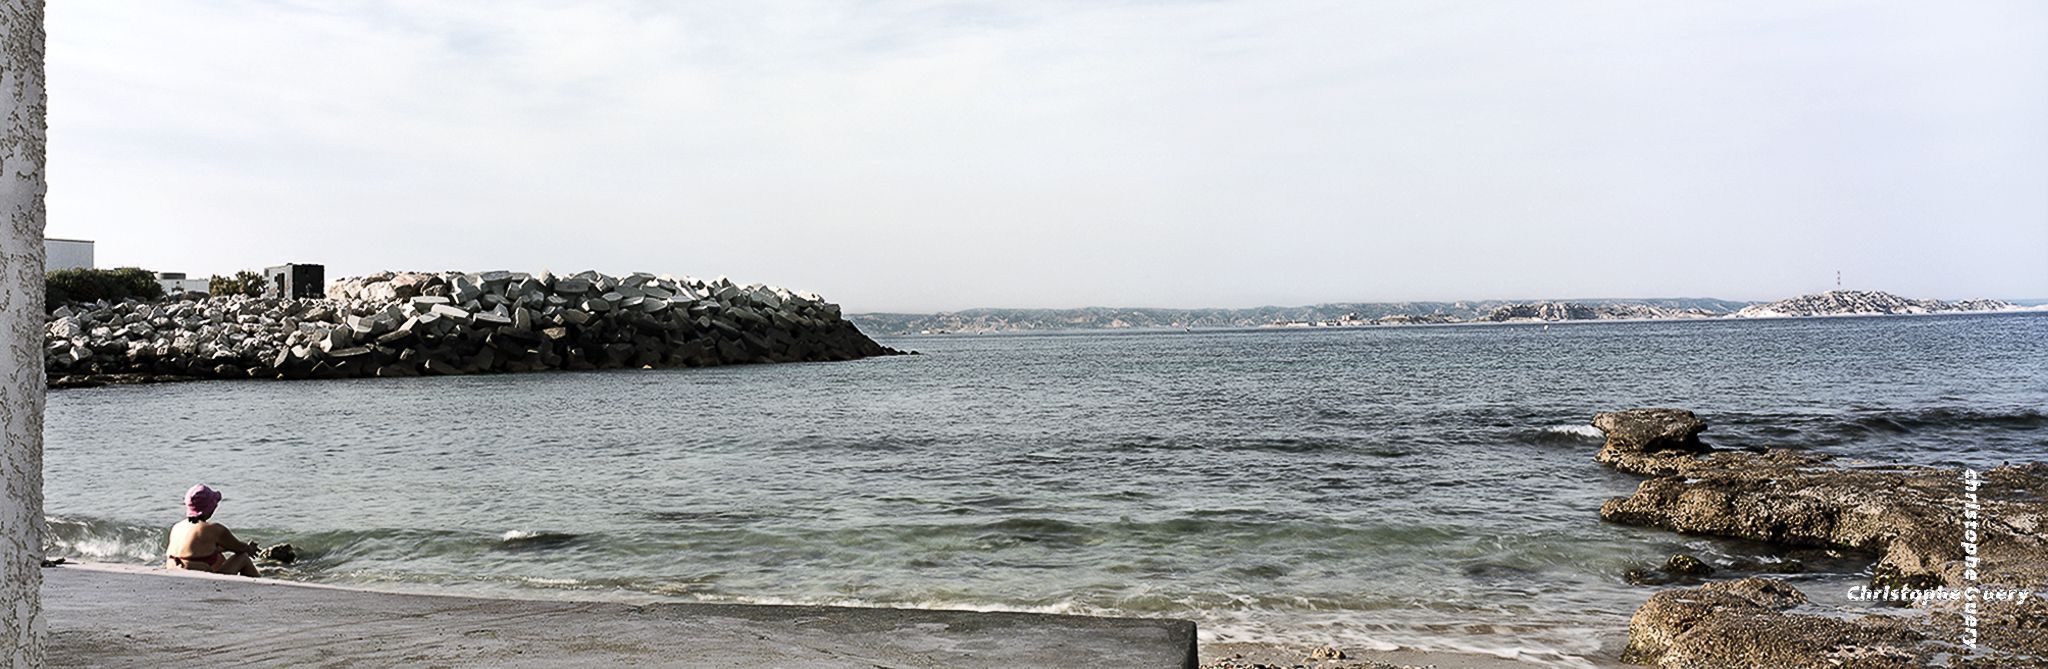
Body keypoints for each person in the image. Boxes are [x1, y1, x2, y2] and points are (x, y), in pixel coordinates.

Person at [164, 484, 260, 577]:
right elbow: (240, 548)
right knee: (243, 557)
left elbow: (198, 549)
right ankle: (259, 585)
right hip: (196, 576)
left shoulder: (177, 527)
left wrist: (223, 549)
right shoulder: (214, 529)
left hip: (174, 572)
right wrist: (249, 548)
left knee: (217, 555)